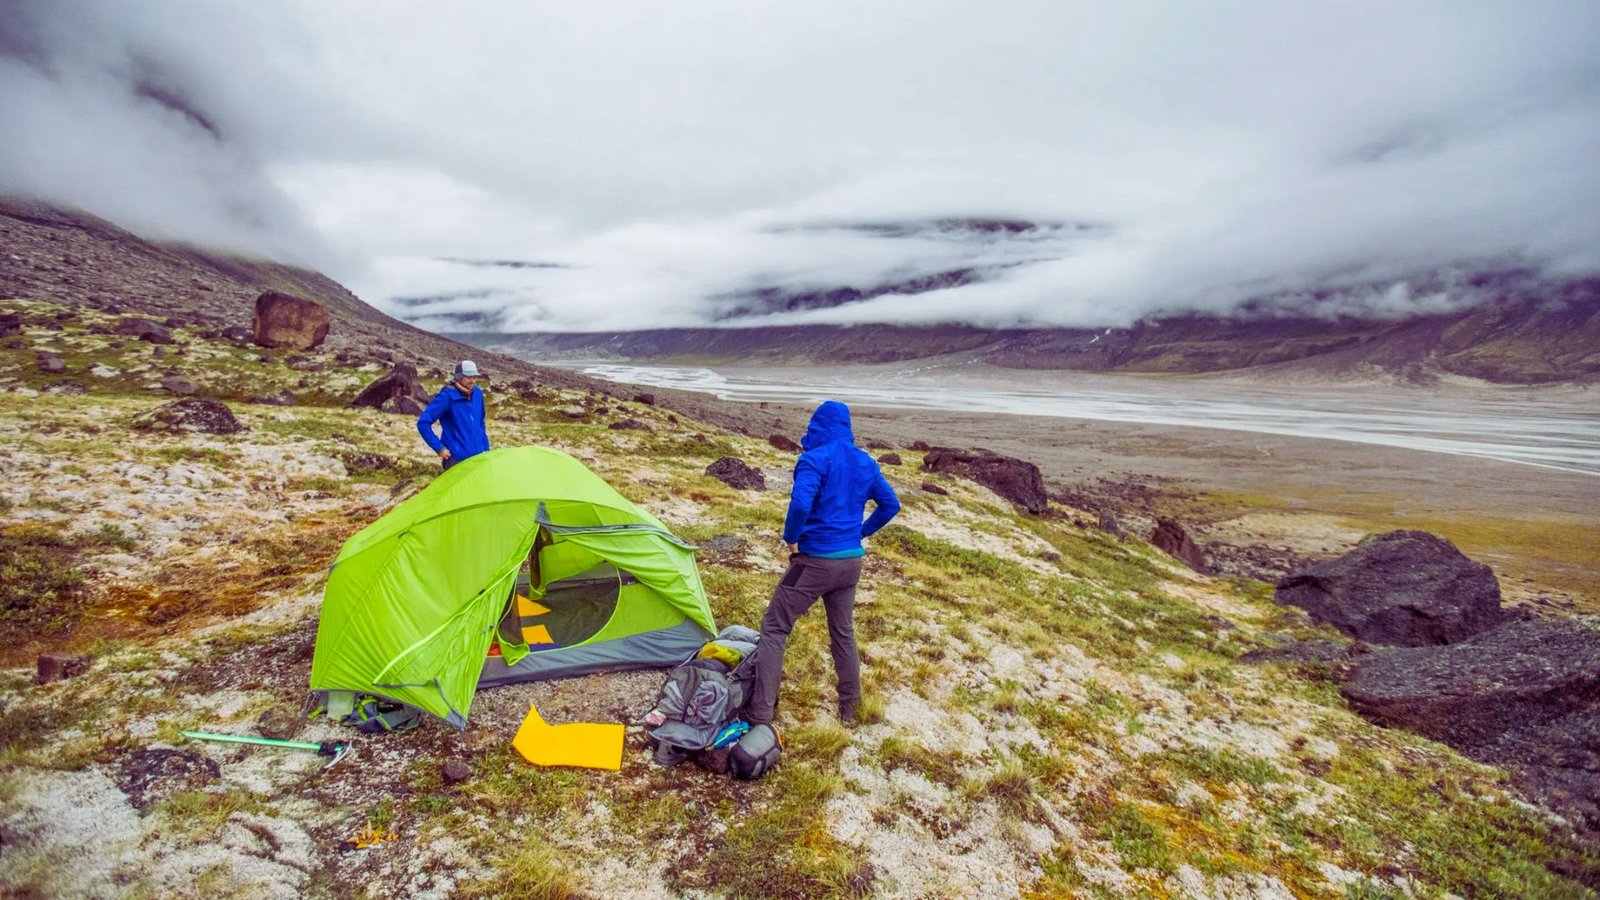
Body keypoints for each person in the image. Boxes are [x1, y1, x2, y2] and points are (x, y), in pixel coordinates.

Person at [747, 400, 900, 727]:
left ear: (818, 426)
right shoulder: (865, 462)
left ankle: (760, 713)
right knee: (843, 632)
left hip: (814, 561)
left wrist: (792, 539)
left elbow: (801, 502)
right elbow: (890, 505)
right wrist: (860, 532)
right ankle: (850, 709)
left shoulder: (813, 459)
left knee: (775, 627)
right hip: (850, 563)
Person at [417, 360, 490, 470]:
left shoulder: (478, 394)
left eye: (474, 377)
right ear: (459, 377)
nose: (472, 381)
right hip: (456, 460)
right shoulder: (447, 397)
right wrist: (439, 448)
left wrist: (485, 448)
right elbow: (423, 423)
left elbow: (481, 422)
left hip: (479, 457)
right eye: (468, 377)